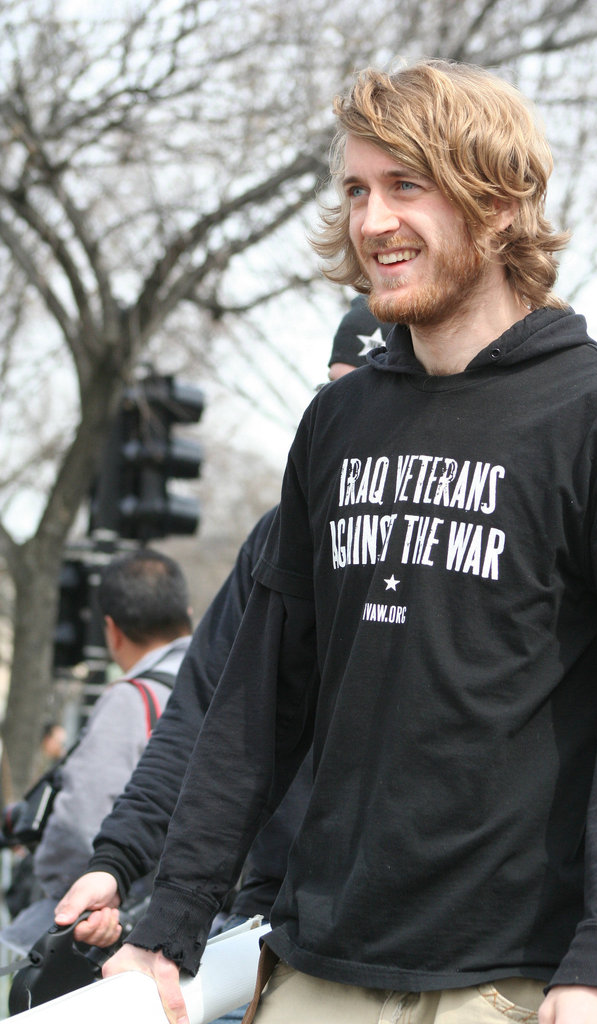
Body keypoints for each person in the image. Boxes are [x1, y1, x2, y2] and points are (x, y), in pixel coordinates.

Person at [99, 59, 597, 1024]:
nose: (371, 223)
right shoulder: (336, 425)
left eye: (407, 186)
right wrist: (167, 925)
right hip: (315, 959)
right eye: (358, 190)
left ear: (497, 204)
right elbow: (256, 706)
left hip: (510, 976)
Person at [52, 301, 389, 1020]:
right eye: (328, 387)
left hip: (439, 938)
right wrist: (118, 860)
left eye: (360, 384)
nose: (339, 408)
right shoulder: (280, 540)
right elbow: (205, 716)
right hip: (279, 919)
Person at [0, 548, 192, 954]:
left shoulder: (133, 700)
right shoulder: (229, 684)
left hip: (124, 919)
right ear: (187, 614)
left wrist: (59, 887)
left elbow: (80, 824)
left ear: (112, 630)